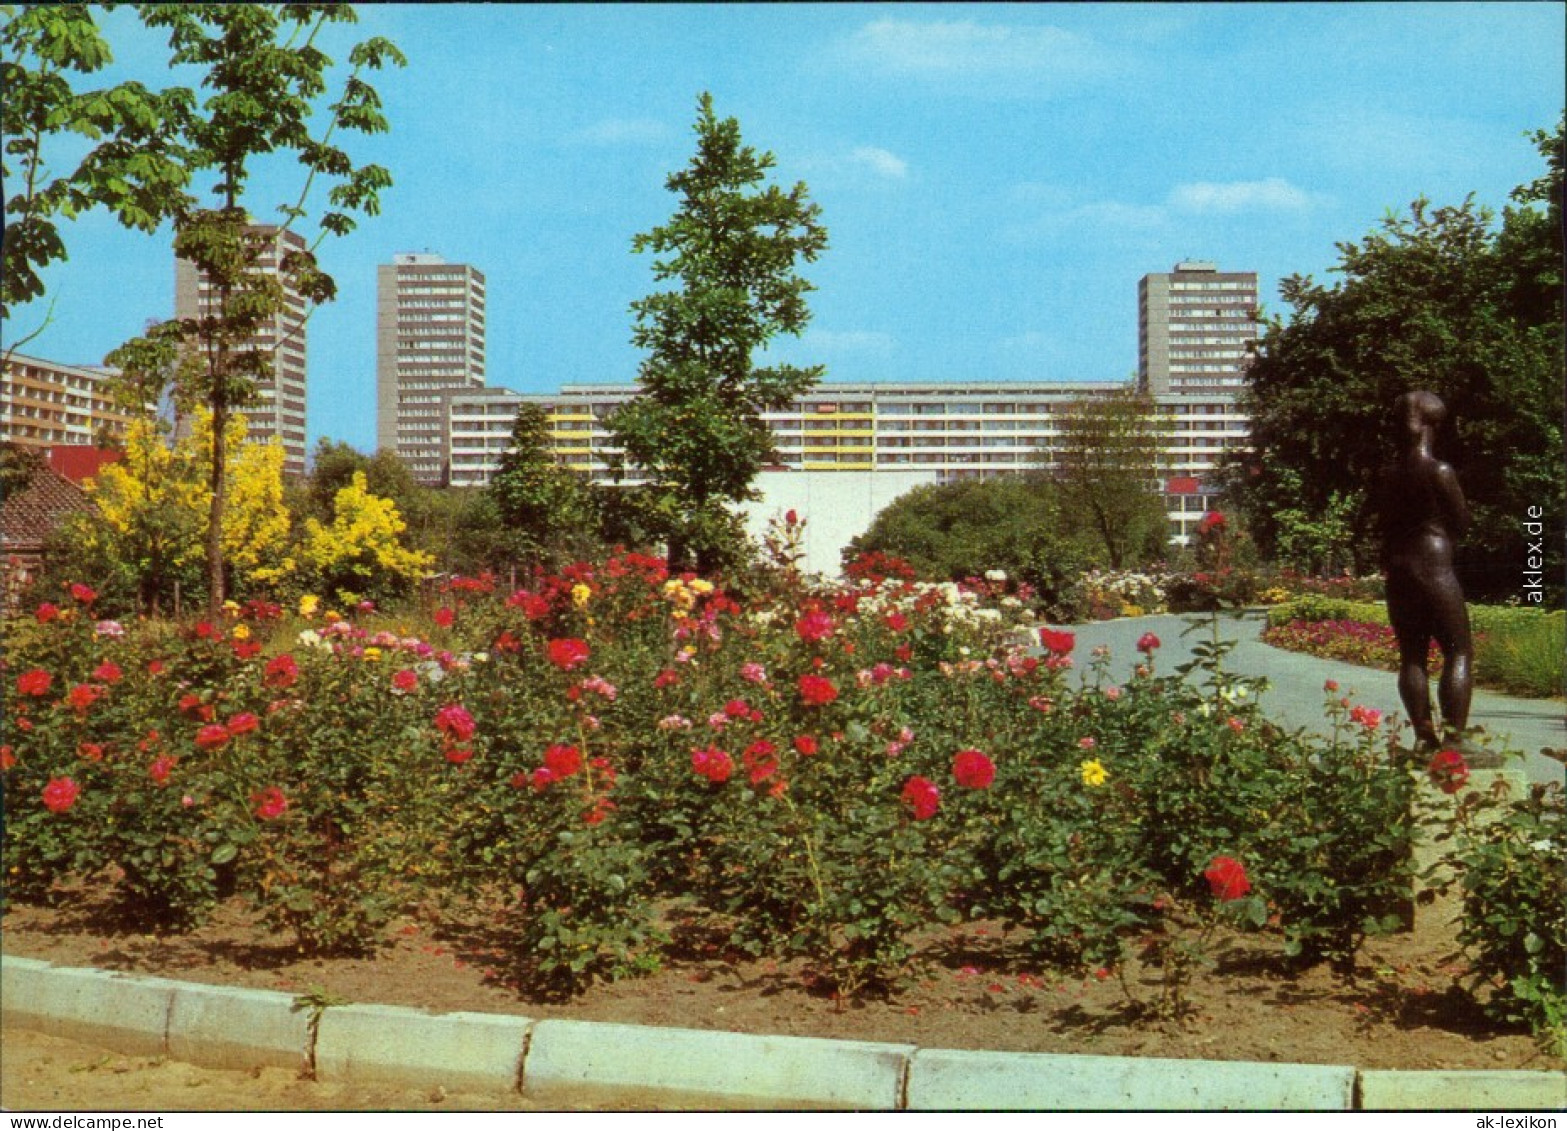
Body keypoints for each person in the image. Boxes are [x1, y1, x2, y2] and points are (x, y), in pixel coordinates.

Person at [1377, 390, 1473, 749]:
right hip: (1434, 565)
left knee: (1413, 655)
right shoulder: (1439, 471)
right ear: (1434, 425)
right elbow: (1462, 521)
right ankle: (1455, 738)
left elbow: (1384, 523)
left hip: (1400, 568)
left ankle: (1423, 736)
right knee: (1458, 651)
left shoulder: (1388, 474)